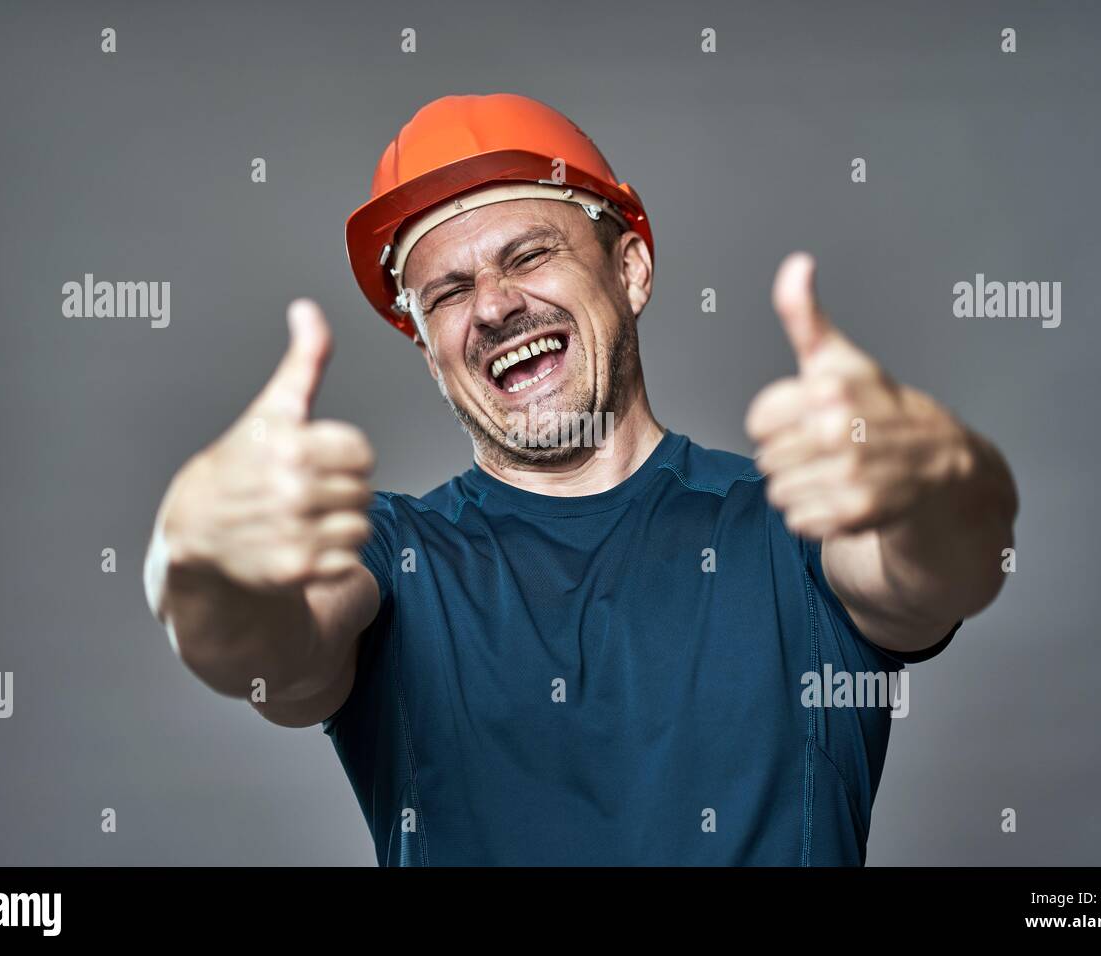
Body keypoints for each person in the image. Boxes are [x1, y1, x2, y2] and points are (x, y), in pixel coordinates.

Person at [144, 93, 1018, 865]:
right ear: (426, 345)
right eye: (446, 292)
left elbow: (936, 568)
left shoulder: (796, 521)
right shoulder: (386, 555)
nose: (490, 306)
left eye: (527, 256)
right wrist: (196, 563)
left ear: (629, 269)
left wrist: (944, 483)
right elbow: (271, 644)